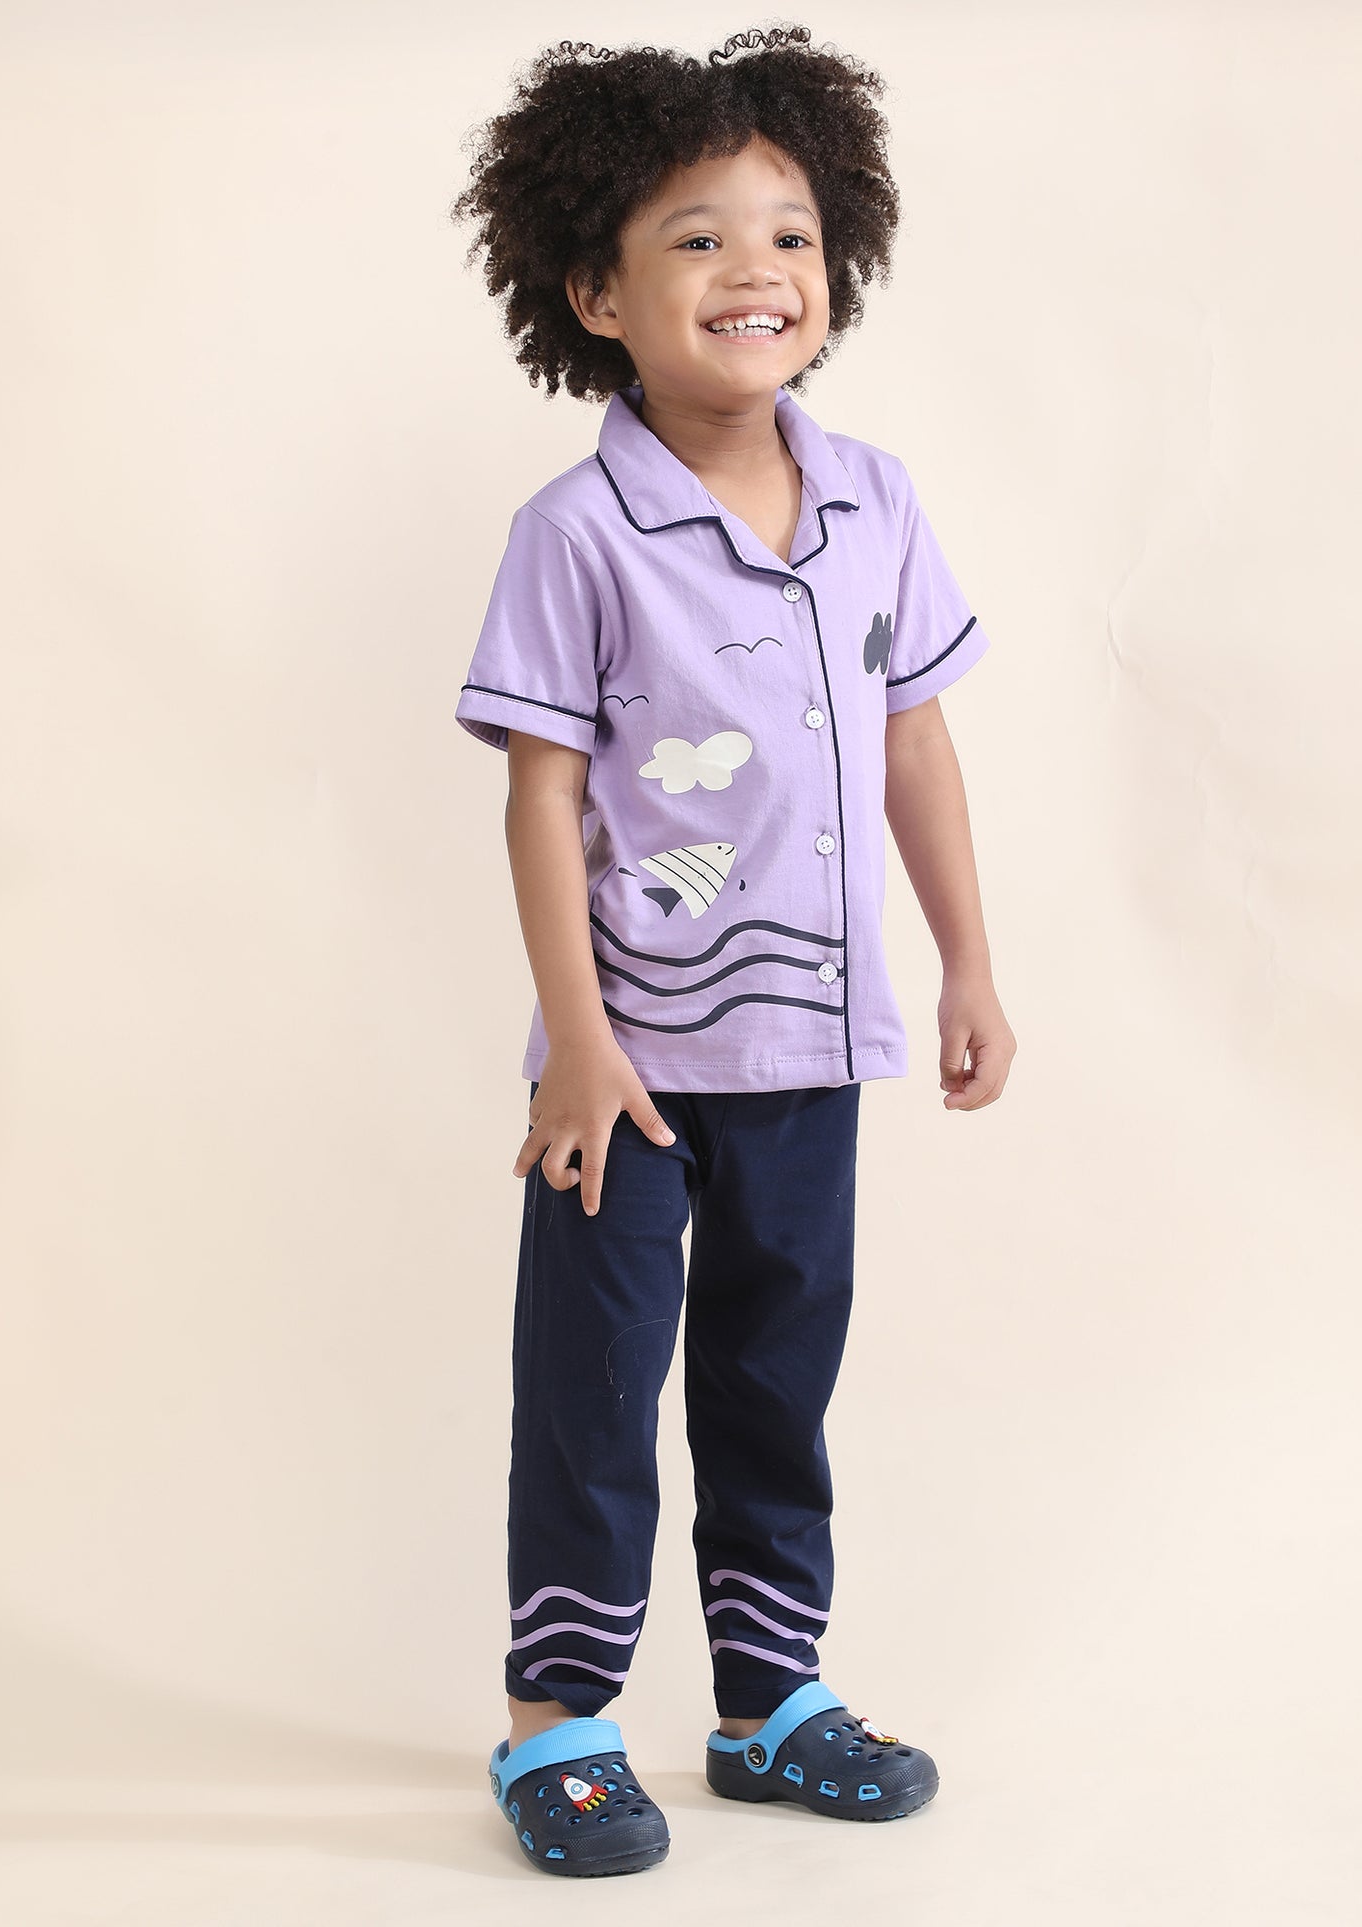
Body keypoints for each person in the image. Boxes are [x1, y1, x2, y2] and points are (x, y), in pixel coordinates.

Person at [449, 22, 1016, 1878]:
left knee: (776, 1380)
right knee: (595, 1392)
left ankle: (769, 1700)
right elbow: (543, 796)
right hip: (626, 1068)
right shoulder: (576, 532)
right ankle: (557, 1724)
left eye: (788, 232)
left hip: (813, 1047)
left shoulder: (877, 501)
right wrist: (577, 1039)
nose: (753, 268)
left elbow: (914, 741)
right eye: (693, 237)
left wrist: (966, 965)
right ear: (595, 295)